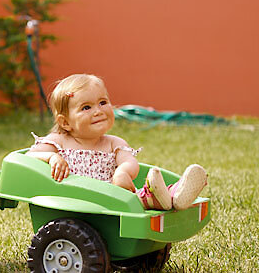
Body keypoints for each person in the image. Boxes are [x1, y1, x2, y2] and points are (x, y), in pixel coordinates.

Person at [26, 74, 208, 210]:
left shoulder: (114, 143)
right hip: (77, 204)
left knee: (137, 197)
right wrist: (52, 157)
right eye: (86, 107)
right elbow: (29, 157)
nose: (98, 111)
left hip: (115, 199)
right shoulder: (59, 142)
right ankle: (164, 198)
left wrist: (122, 173)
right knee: (142, 200)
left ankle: (175, 194)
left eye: (103, 102)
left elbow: (130, 162)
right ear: (65, 122)